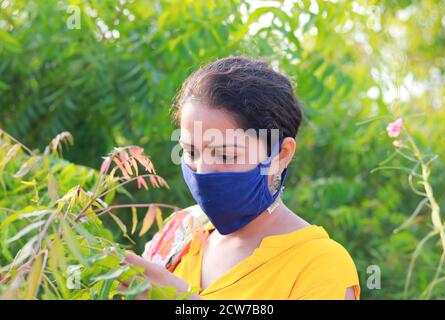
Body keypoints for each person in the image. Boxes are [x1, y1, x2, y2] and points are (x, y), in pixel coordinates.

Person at [124, 56, 360, 300]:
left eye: (225, 154)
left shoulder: (318, 265)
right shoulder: (179, 231)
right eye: (191, 152)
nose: (203, 170)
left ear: (281, 155)